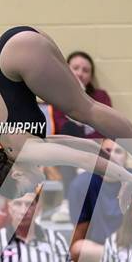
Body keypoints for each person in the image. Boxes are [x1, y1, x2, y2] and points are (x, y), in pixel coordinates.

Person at [0, 26, 132, 210]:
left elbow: (84, 160)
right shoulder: (20, 146)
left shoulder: (25, 151)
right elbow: (89, 147)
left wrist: (128, 178)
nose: (31, 191)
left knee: (85, 110)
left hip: (19, 52)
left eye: (23, 191)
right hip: (16, 45)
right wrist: (119, 173)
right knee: (83, 105)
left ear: (16, 175)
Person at [50, 51, 113, 221]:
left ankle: (70, 201)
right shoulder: (56, 96)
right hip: (68, 149)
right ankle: (68, 200)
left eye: (86, 70)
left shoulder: (101, 97)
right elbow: (61, 126)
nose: (80, 73)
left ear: (91, 76)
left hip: (94, 149)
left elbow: (105, 127)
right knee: (68, 132)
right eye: (75, 68)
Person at [68, 139, 132, 262]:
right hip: (101, 252)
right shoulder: (81, 185)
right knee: (79, 249)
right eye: (107, 151)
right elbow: (80, 228)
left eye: (118, 151)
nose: (112, 155)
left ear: (126, 157)